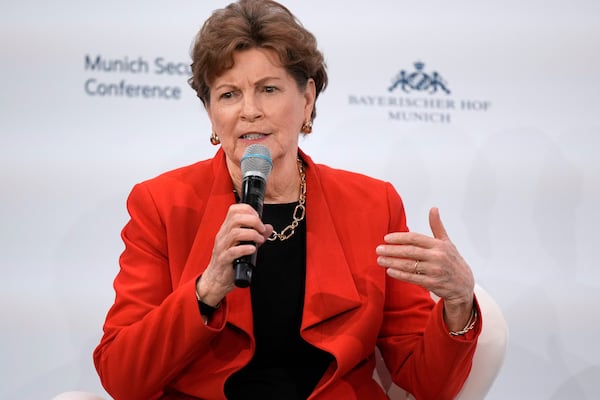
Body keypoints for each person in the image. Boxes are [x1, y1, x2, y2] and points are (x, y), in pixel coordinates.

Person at [93, 1, 481, 399]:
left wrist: (457, 302)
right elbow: (122, 378)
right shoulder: (162, 205)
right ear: (210, 113)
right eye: (228, 94)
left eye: (269, 89)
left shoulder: (372, 204)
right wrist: (204, 291)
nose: (249, 111)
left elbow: (428, 383)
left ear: (307, 99)